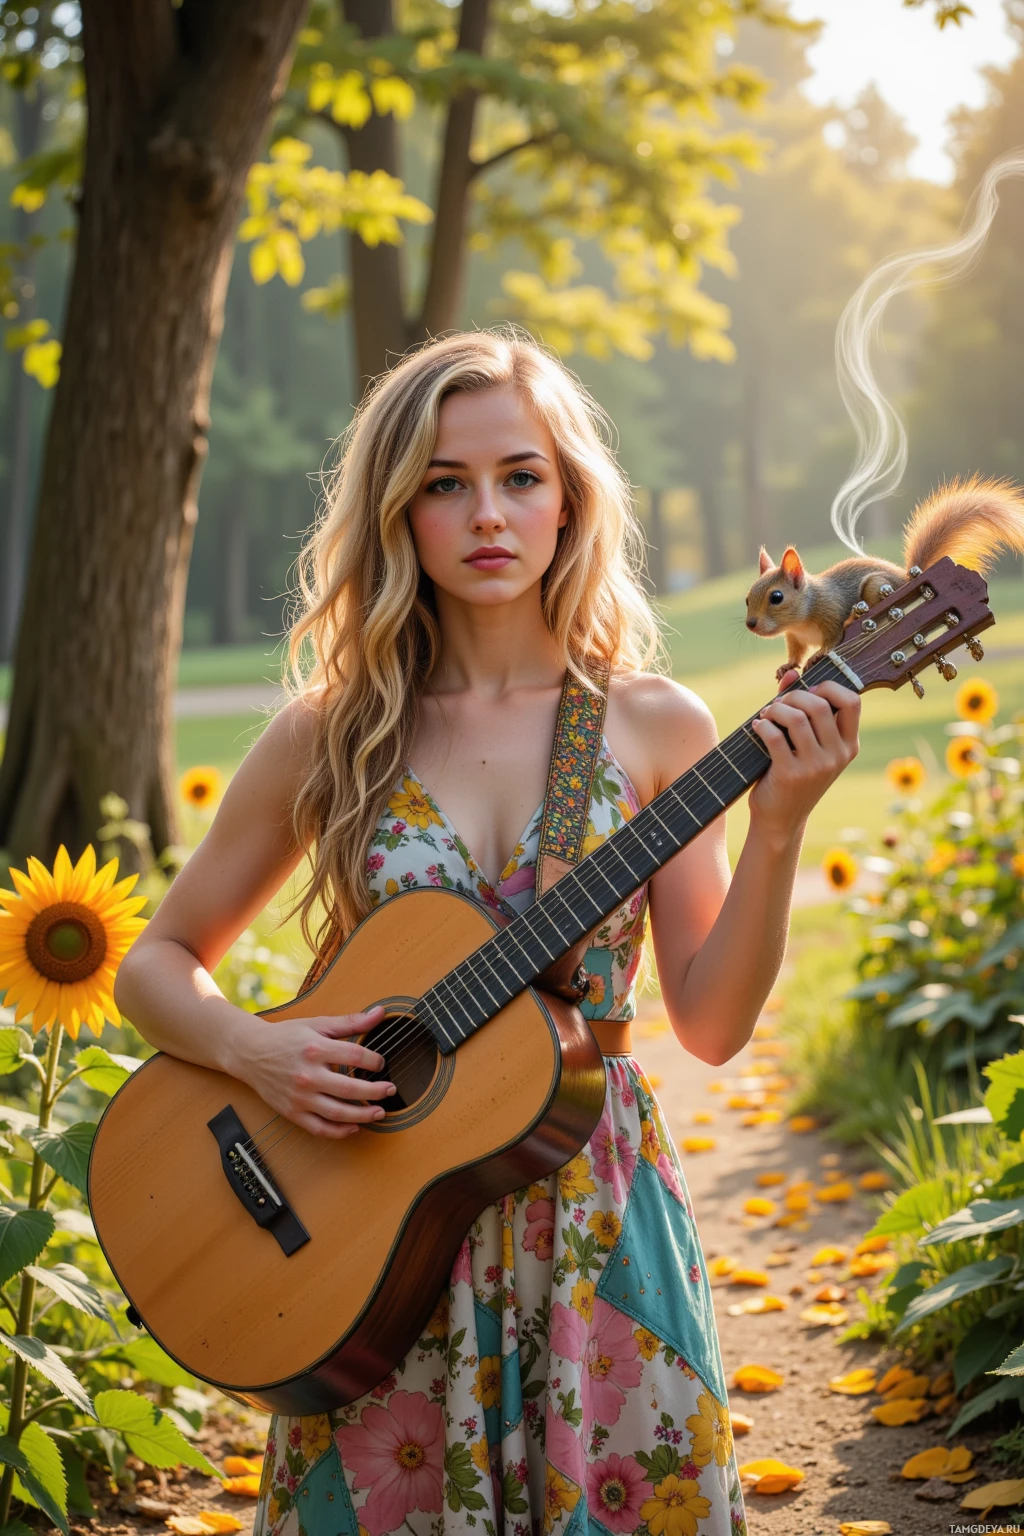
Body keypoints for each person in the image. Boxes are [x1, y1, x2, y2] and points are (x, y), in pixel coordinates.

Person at [114, 329, 860, 1536]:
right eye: (444, 485)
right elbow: (153, 964)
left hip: (595, 1227)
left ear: (569, 496)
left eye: (520, 475)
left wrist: (776, 831)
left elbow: (713, 1026)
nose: (488, 514)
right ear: (397, 513)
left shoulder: (656, 725)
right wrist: (256, 1051)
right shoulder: (332, 734)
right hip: (359, 1236)